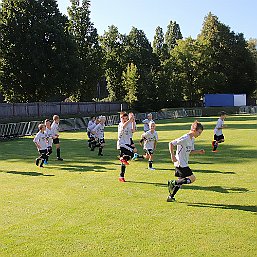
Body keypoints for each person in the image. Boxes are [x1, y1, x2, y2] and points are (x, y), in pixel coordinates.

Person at [167, 121, 205, 202]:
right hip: (181, 163)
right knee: (192, 178)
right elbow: (171, 143)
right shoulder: (185, 138)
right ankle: (172, 182)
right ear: (194, 130)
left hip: (184, 162)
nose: (199, 135)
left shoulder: (192, 139)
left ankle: (170, 197)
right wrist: (172, 156)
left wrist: (198, 151)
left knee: (180, 181)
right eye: (199, 132)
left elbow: (190, 151)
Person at [117, 112, 136, 182]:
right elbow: (124, 126)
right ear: (121, 118)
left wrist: (133, 121)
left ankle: (121, 176)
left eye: (126, 118)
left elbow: (133, 130)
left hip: (127, 143)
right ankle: (121, 158)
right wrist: (130, 120)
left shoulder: (129, 124)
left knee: (125, 160)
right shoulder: (120, 124)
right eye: (123, 118)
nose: (125, 120)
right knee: (133, 153)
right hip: (122, 144)